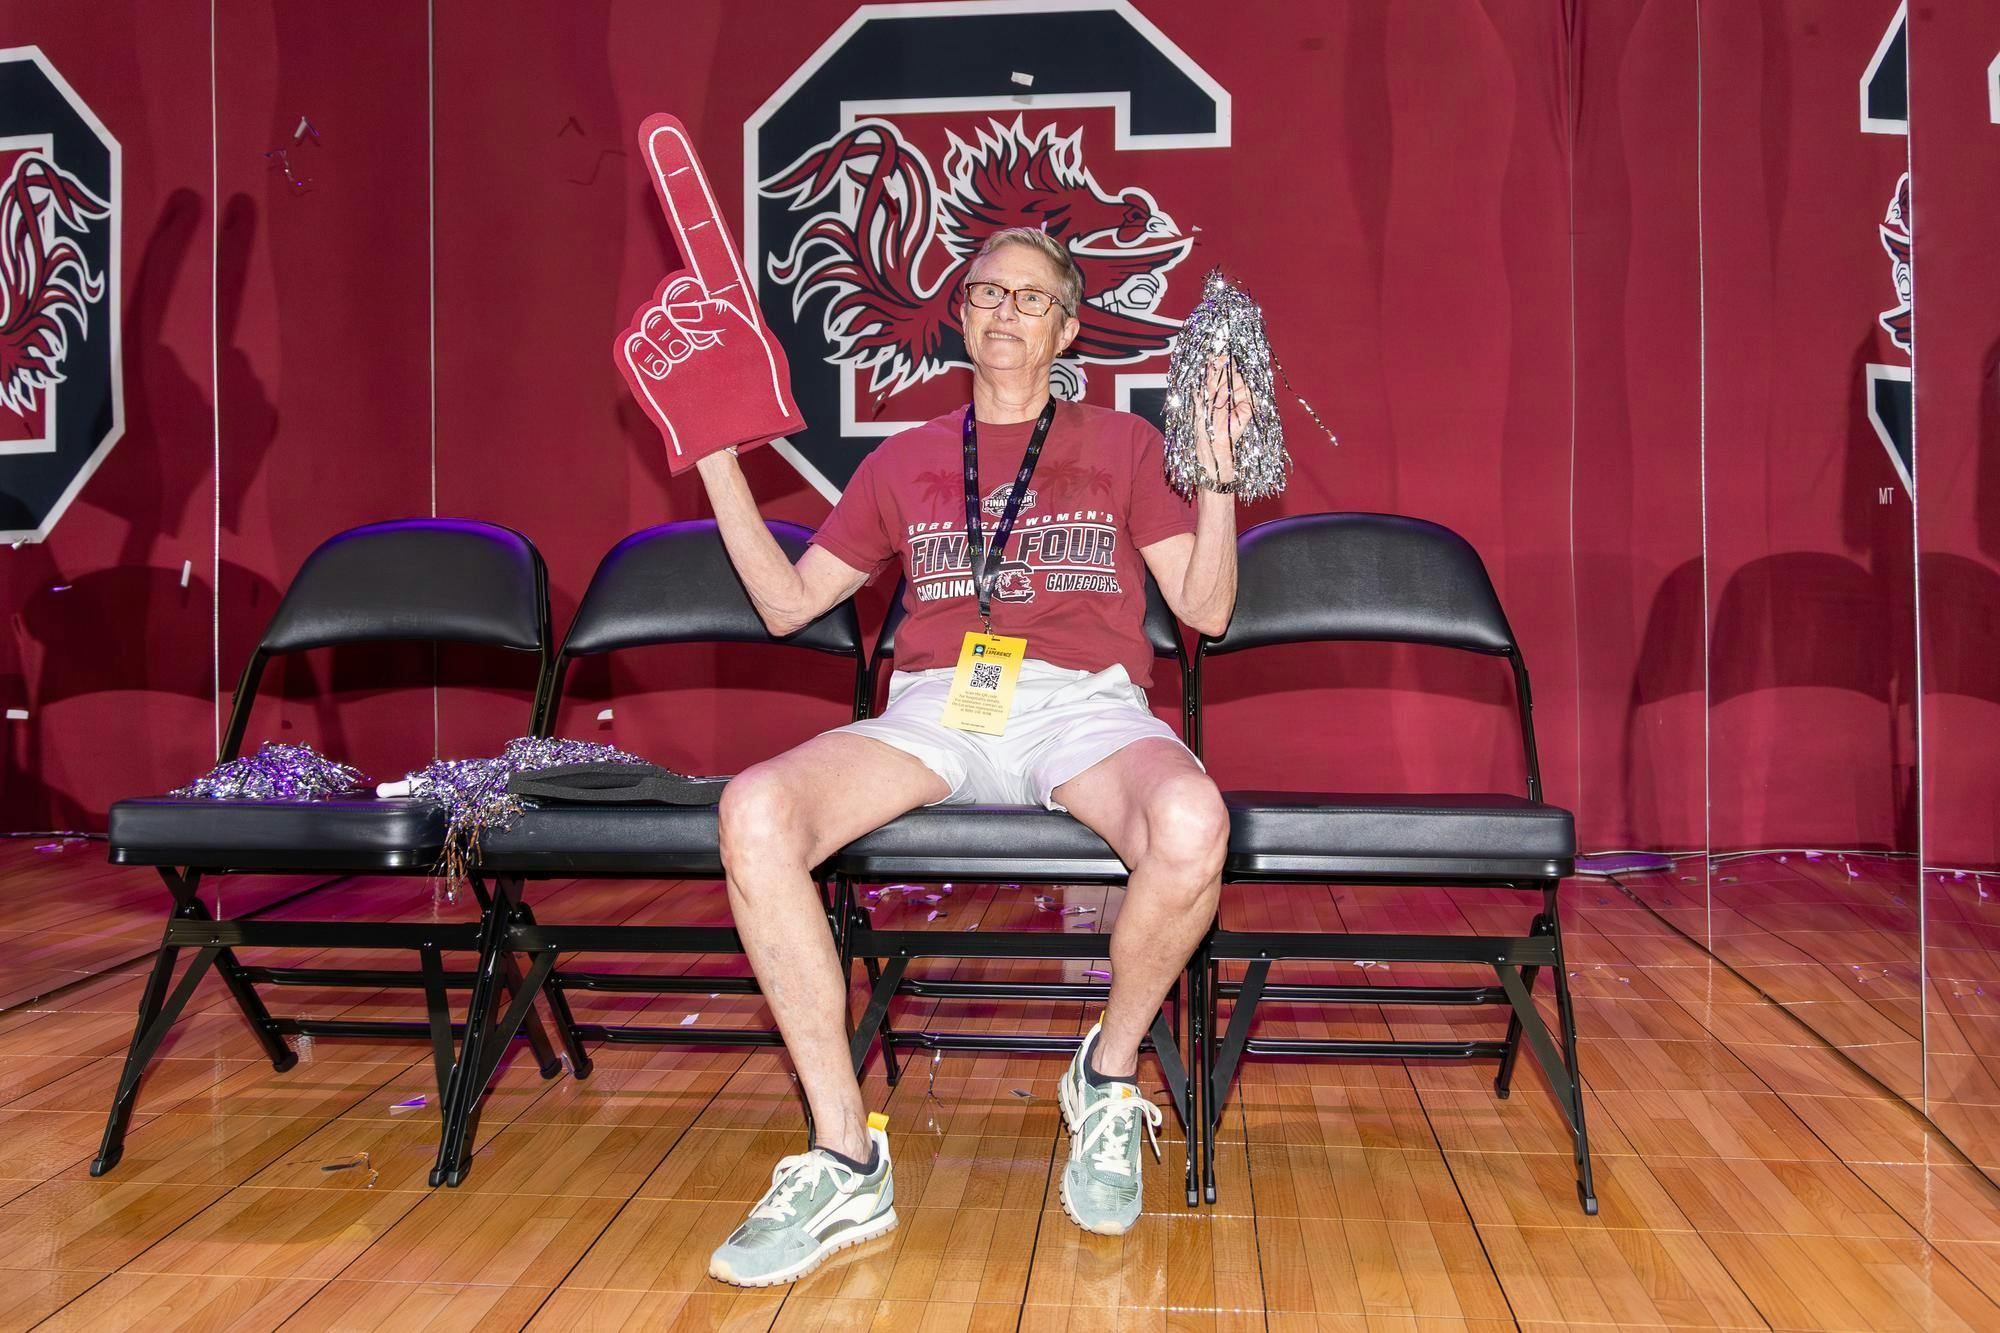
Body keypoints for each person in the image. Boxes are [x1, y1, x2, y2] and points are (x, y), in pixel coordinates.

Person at [693, 227, 1249, 1286]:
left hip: (1081, 707)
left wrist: (1215, 474)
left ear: (1068, 326)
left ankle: (1108, 1069)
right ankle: (843, 1152)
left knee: (1191, 822)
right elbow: (783, 604)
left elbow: (1206, 609)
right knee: (756, 808)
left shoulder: (1126, 447)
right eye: (985, 290)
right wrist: (719, 453)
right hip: (936, 707)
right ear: (960, 314)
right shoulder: (901, 458)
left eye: (1030, 298)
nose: (1002, 309)